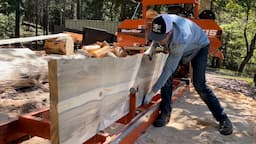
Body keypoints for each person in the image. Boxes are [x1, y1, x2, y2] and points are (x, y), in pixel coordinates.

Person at [146, 14, 233, 135]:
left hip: (200, 46)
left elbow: (168, 69)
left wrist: (152, 92)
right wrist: (150, 50)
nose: (159, 40)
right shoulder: (160, 21)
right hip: (186, 44)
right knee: (167, 79)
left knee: (199, 85)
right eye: (157, 36)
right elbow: (157, 36)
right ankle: (165, 113)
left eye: (162, 37)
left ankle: (223, 118)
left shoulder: (179, 40)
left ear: (170, 32)